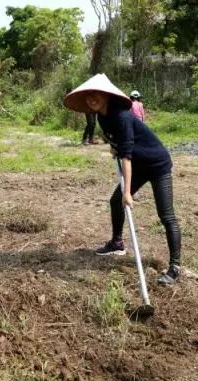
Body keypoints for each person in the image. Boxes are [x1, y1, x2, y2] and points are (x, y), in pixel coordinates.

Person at [64, 74, 182, 285]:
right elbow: (120, 144)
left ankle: (175, 266)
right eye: (89, 96)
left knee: (166, 215)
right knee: (114, 202)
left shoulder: (122, 116)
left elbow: (126, 156)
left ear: (107, 95)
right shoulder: (102, 116)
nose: (92, 99)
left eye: (96, 95)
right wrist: (114, 147)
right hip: (138, 164)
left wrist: (127, 193)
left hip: (157, 165)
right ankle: (117, 243)